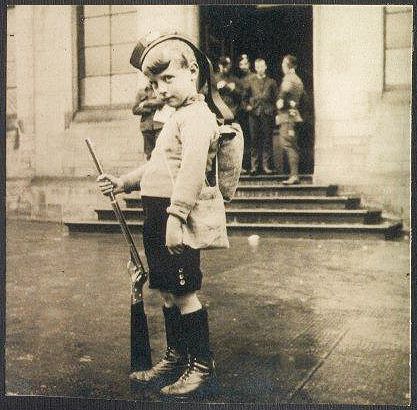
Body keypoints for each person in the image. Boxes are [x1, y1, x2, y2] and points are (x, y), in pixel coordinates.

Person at [97, 33, 226, 398]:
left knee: (184, 292)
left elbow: (190, 171)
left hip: (174, 215)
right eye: (155, 83)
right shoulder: (176, 116)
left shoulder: (198, 117)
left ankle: (201, 365)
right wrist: (122, 182)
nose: (161, 89)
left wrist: (177, 216)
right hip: (157, 211)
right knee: (167, 291)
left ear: (192, 71)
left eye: (168, 79)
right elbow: (157, 165)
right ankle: (176, 357)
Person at [244, 58, 278, 175]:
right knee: (254, 140)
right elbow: (244, 98)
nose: (260, 69)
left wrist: (272, 110)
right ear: (255, 68)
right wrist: (247, 106)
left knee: (267, 140)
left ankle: (266, 166)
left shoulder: (271, 82)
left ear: (265, 67)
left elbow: (276, 99)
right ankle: (254, 167)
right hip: (253, 115)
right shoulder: (250, 81)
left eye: (262, 66)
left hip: (267, 115)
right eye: (257, 67)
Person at [276, 54, 304, 185]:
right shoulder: (298, 80)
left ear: (288, 66)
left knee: (288, 144)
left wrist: (280, 101)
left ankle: (294, 175)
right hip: (293, 116)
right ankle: (294, 174)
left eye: (283, 64)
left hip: (287, 117)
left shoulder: (289, 78)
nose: (282, 66)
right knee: (292, 145)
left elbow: (283, 95)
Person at [132, 84, 165, 160]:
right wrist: (149, 109)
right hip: (146, 127)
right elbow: (135, 110)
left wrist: (146, 103)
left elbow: (162, 102)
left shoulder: (161, 89)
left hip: (160, 125)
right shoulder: (141, 92)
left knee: (161, 151)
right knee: (149, 154)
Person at [236, 54, 253, 173]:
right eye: (241, 64)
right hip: (241, 113)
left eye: (245, 63)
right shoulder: (238, 80)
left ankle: (254, 166)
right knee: (244, 138)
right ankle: (244, 165)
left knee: (253, 139)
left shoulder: (254, 77)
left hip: (252, 112)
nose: (243, 66)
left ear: (249, 64)